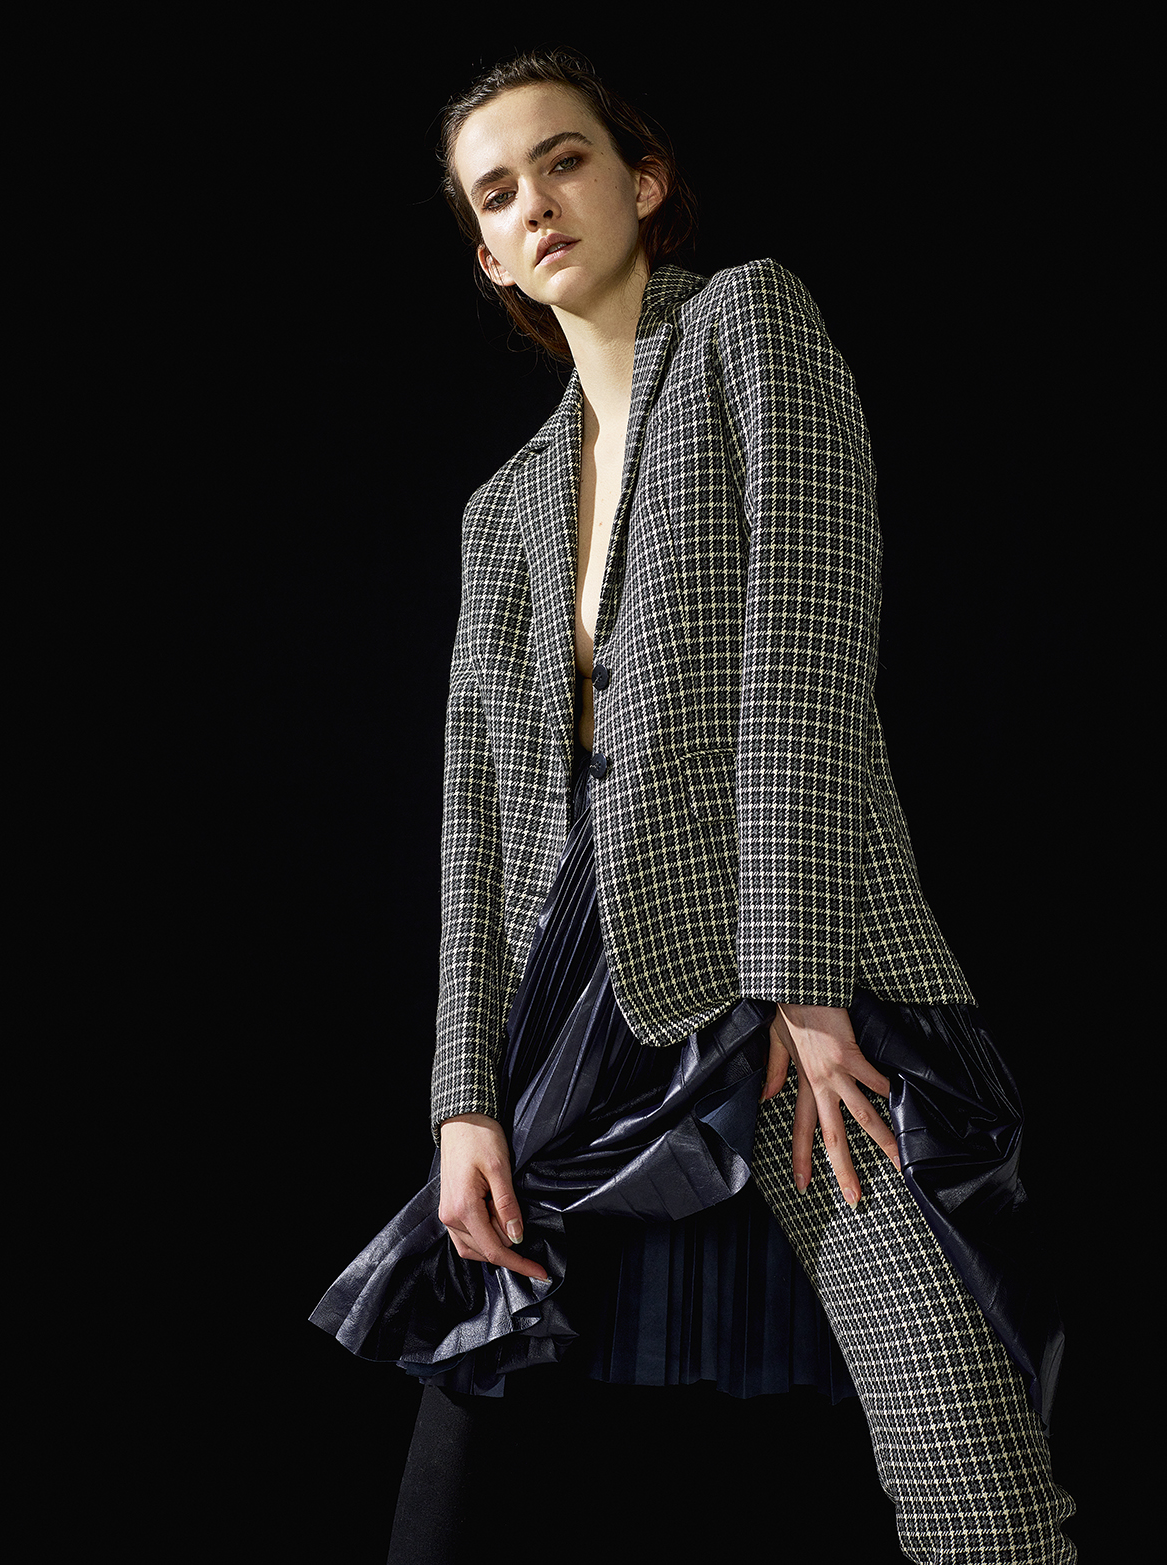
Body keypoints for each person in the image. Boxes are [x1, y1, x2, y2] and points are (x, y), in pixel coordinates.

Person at [310, 50, 1077, 1564]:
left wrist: (802, 982)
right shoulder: (500, 512)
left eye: (565, 161)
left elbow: (807, 656)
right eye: (497, 194)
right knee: (470, 1391)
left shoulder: (748, 325)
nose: (537, 204)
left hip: (785, 957)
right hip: (575, 999)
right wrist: (466, 1100)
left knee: (963, 1444)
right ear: (487, 254)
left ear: (642, 179)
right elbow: (476, 824)